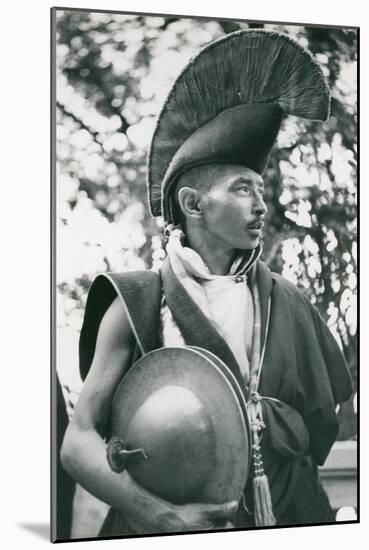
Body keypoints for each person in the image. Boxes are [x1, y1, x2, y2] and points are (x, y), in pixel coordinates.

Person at [60, 29, 353, 537]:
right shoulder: (137, 301)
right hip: (169, 524)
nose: (262, 206)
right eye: (243, 189)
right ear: (195, 205)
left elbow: (324, 424)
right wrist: (155, 513)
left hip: (288, 518)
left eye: (262, 190)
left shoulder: (287, 301)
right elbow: (77, 442)